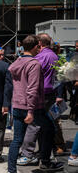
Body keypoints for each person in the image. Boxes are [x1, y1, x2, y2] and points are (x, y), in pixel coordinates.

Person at [7, 35, 64, 173]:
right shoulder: (34, 64)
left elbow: (11, 72)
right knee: (50, 129)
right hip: (32, 107)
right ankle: (45, 161)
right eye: (38, 47)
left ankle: (11, 172)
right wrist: (31, 111)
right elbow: (32, 89)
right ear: (35, 47)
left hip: (17, 105)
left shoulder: (16, 62)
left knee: (17, 140)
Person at [18, 33, 66, 165]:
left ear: (39, 43)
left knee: (34, 123)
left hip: (40, 93)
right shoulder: (55, 56)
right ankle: (46, 153)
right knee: (48, 124)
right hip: (51, 93)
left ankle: (27, 153)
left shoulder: (39, 57)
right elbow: (60, 77)